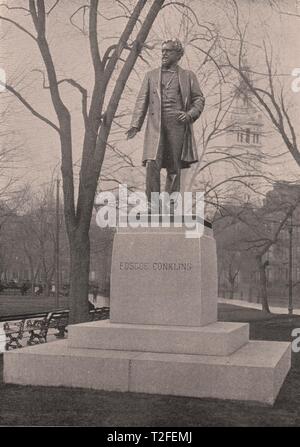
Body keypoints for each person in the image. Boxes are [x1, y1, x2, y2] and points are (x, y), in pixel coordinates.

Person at [126, 38, 205, 211]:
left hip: (177, 125)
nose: (164, 54)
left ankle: (171, 204)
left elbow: (199, 98)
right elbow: (142, 100)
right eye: (162, 51)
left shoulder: (187, 76)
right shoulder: (151, 75)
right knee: (152, 163)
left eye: (168, 51)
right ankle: (152, 204)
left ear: (178, 54)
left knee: (174, 166)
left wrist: (190, 114)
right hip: (156, 125)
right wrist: (135, 125)